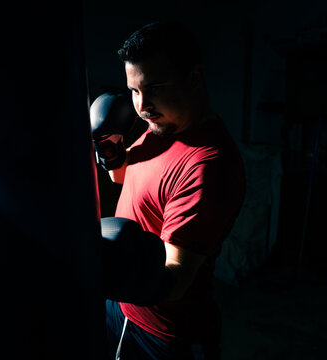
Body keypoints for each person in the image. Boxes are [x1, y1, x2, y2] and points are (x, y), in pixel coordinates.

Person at [93, 21, 245, 359]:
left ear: (194, 78)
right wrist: (109, 148)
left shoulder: (207, 165)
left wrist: (100, 267)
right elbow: (125, 178)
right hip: (123, 306)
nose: (142, 105)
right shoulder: (159, 125)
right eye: (134, 90)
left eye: (156, 87)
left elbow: (175, 280)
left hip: (163, 335)